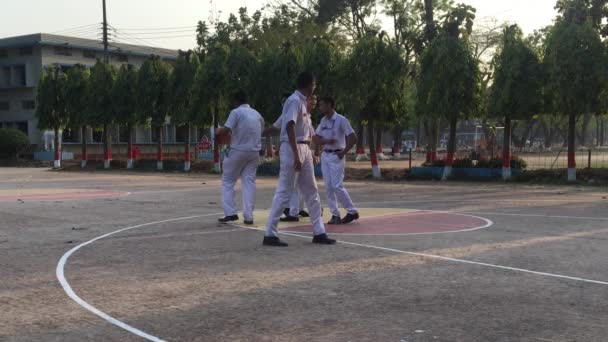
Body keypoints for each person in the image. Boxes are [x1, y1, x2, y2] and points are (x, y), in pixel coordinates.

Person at [263, 72, 336, 247]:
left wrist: (311, 150)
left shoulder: (302, 104)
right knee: (284, 191)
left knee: (311, 191)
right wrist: (296, 154)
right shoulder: (294, 101)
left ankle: (319, 232)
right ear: (309, 85)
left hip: (303, 148)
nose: (315, 89)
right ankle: (270, 233)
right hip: (293, 147)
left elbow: (308, 132)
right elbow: (289, 126)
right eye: (314, 86)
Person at [216, 90, 265, 225]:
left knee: (228, 181)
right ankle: (249, 217)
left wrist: (218, 131)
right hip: (254, 152)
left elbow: (226, 130)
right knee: (249, 183)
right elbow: (262, 130)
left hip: (238, 150)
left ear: (236, 101)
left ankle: (230, 213)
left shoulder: (236, 112)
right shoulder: (257, 114)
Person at [313, 96, 360, 224]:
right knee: (328, 187)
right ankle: (335, 215)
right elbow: (315, 138)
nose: (320, 107)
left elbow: (353, 137)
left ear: (329, 105)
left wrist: (344, 152)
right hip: (326, 155)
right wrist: (326, 141)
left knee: (337, 185)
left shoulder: (341, 120)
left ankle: (352, 211)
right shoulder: (323, 121)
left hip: (337, 155)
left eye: (322, 104)